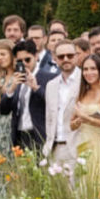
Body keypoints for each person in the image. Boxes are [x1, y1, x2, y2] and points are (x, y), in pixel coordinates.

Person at [71, 46, 100, 193]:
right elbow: (71, 125)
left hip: (97, 146)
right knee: (83, 190)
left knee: (98, 189)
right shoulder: (82, 91)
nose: (89, 73)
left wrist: (86, 118)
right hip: (81, 146)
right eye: (85, 69)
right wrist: (77, 122)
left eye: (93, 69)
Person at [41, 39, 81, 174]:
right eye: (61, 56)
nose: (66, 59)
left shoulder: (86, 80)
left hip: (78, 147)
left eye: (70, 56)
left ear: (76, 56)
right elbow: (49, 118)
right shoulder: (51, 85)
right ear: (54, 58)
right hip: (55, 148)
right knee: (58, 193)